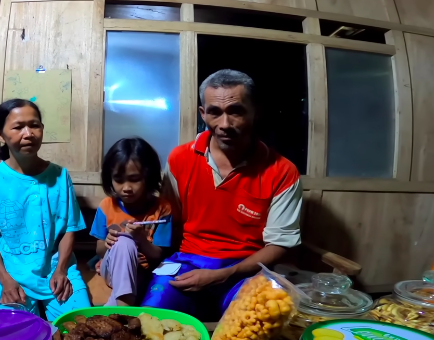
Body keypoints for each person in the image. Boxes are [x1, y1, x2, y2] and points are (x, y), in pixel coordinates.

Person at [141, 69, 302, 318]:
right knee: (152, 317)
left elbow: (280, 243)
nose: (224, 124)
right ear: (203, 113)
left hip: (247, 268)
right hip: (188, 260)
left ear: (255, 112)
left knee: (249, 328)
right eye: (215, 112)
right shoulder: (180, 159)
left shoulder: (282, 171)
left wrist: (224, 274)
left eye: (235, 111)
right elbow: (167, 221)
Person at [0, 98, 91, 320]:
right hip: (10, 274)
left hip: (55, 269)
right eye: (18, 127)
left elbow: (69, 229)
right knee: (17, 336)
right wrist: (6, 280)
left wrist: (61, 270)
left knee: (81, 327)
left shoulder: (60, 175)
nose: (28, 133)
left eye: (34, 125)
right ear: (0, 135)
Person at [90, 137, 173, 306]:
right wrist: (107, 242)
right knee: (123, 241)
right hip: (112, 271)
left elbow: (157, 256)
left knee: (128, 241)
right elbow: (99, 249)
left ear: (148, 177)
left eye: (134, 179)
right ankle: (125, 305)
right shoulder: (107, 206)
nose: (126, 187)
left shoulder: (162, 209)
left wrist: (141, 239)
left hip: (143, 272)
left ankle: (117, 306)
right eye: (119, 180)